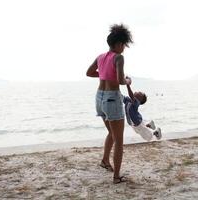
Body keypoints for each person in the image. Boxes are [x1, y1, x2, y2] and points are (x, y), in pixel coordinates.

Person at [86, 24, 133, 184]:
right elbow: (121, 80)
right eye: (124, 45)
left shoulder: (100, 57)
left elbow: (89, 73)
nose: (124, 48)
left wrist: (105, 75)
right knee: (119, 139)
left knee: (112, 134)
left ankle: (105, 161)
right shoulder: (118, 57)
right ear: (119, 43)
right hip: (112, 98)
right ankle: (117, 177)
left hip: (99, 97)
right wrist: (128, 80)